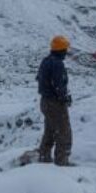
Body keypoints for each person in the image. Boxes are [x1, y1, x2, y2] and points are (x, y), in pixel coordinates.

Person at [37, 35, 73, 166]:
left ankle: (44, 156)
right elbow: (59, 85)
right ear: (61, 50)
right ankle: (62, 162)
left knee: (50, 130)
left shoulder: (46, 61)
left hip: (45, 101)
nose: (66, 52)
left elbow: (41, 79)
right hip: (55, 103)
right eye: (65, 49)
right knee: (64, 132)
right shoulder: (57, 64)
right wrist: (65, 98)